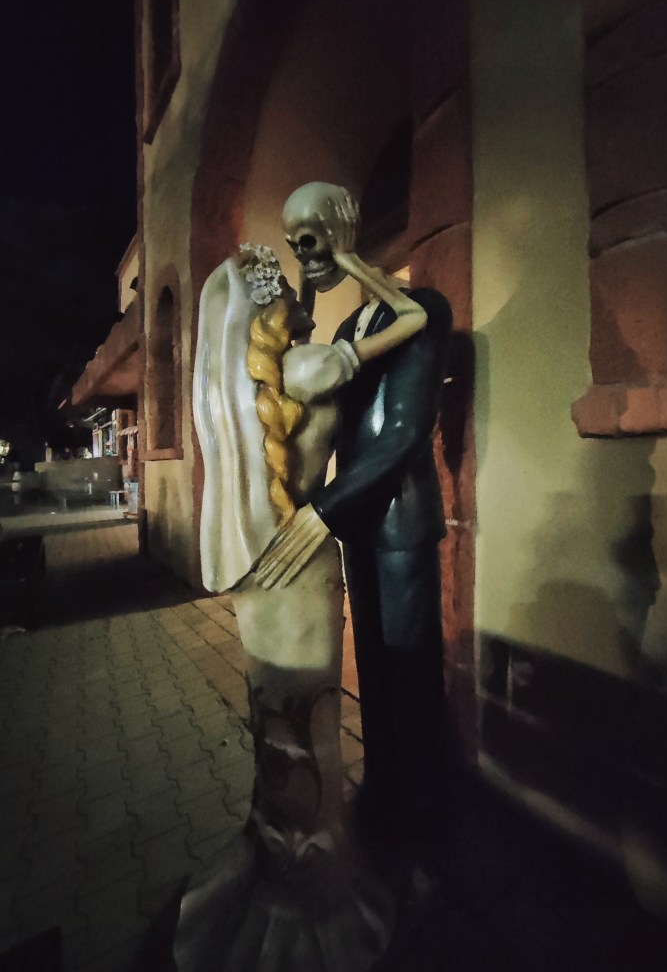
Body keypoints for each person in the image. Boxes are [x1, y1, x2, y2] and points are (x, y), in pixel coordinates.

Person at [179, 243, 426, 972]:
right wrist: (351, 260)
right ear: (275, 312)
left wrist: (303, 291)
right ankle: (314, 898)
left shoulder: (244, 384)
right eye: (289, 289)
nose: (301, 294)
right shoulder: (311, 367)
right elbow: (413, 317)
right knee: (310, 728)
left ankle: (277, 865)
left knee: (274, 725)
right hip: (304, 565)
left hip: (261, 564)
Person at [255, 184, 453, 844]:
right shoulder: (347, 331)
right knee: (371, 664)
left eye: (311, 239)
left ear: (345, 231)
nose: (304, 254)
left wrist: (324, 510)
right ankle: (386, 791)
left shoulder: (425, 309)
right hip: (359, 524)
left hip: (401, 522)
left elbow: (404, 436)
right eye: (295, 243)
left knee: (411, 670)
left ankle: (425, 814)